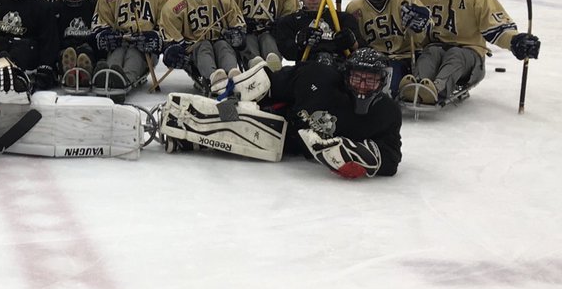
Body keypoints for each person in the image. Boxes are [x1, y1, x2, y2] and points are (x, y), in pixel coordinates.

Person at [165, 46, 402, 178]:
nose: (362, 86)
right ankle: (193, 125)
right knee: (249, 117)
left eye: (370, 80)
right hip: (283, 116)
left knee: (268, 137)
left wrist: (354, 154)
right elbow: (271, 83)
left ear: (383, 82)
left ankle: (195, 138)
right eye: (357, 78)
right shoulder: (318, 77)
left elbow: (391, 158)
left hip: (290, 144)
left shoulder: (387, 112)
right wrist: (238, 96)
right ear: (346, 75)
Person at [402, 0, 540, 105]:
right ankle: (417, 85)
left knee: (455, 54)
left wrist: (515, 41)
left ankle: (437, 89)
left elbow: (497, 28)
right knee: (430, 52)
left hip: (470, 56)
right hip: (436, 49)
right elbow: (409, 32)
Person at [159, 0, 251, 95]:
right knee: (204, 46)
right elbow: (171, 41)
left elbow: (237, 24)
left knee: (223, 45)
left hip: (221, 42)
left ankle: (233, 75)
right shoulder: (172, 6)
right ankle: (213, 78)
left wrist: (237, 35)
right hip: (196, 53)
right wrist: (174, 52)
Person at [91, 0, 171, 98]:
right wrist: (105, 35)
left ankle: (123, 82)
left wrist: (155, 37)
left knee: (134, 55)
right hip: (119, 44)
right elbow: (100, 23)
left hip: (144, 49)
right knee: (116, 54)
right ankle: (108, 75)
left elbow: (167, 27)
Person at [344, 0, 417, 91]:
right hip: (368, 61)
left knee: (387, 91)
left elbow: (425, 27)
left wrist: (420, 20)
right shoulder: (355, 7)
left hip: (401, 58)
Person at [271, 0, 362, 66]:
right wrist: (299, 42)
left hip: (338, 67)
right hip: (307, 68)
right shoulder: (291, 21)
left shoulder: (343, 18)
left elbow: (361, 49)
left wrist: (352, 42)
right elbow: (288, 53)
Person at [53, 0, 98, 88]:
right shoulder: (56, 8)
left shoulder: (93, 6)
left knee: (86, 54)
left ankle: (84, 73)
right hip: (65, 50)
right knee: (65, 54)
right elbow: (53, 39)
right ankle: (69, 72)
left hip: (87, 48)